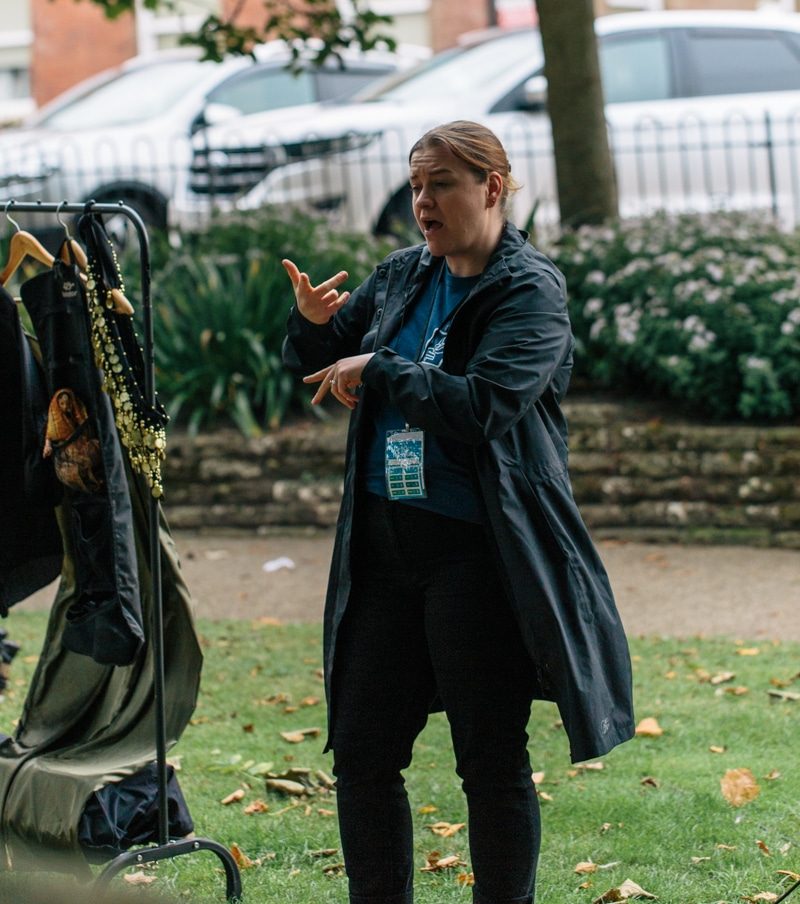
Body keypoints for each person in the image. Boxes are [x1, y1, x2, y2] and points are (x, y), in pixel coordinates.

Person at [281, 120, 635, 904]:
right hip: (385, 546)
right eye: (415, 186)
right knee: (364, 754)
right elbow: (324, 360)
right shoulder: (404, 274)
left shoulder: (528, 292)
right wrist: (312, 330)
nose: (423, 203)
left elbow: (484, 406)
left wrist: (381, 367)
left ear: (492, 188)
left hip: (476, 550)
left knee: (489, 757)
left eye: (440, 184)